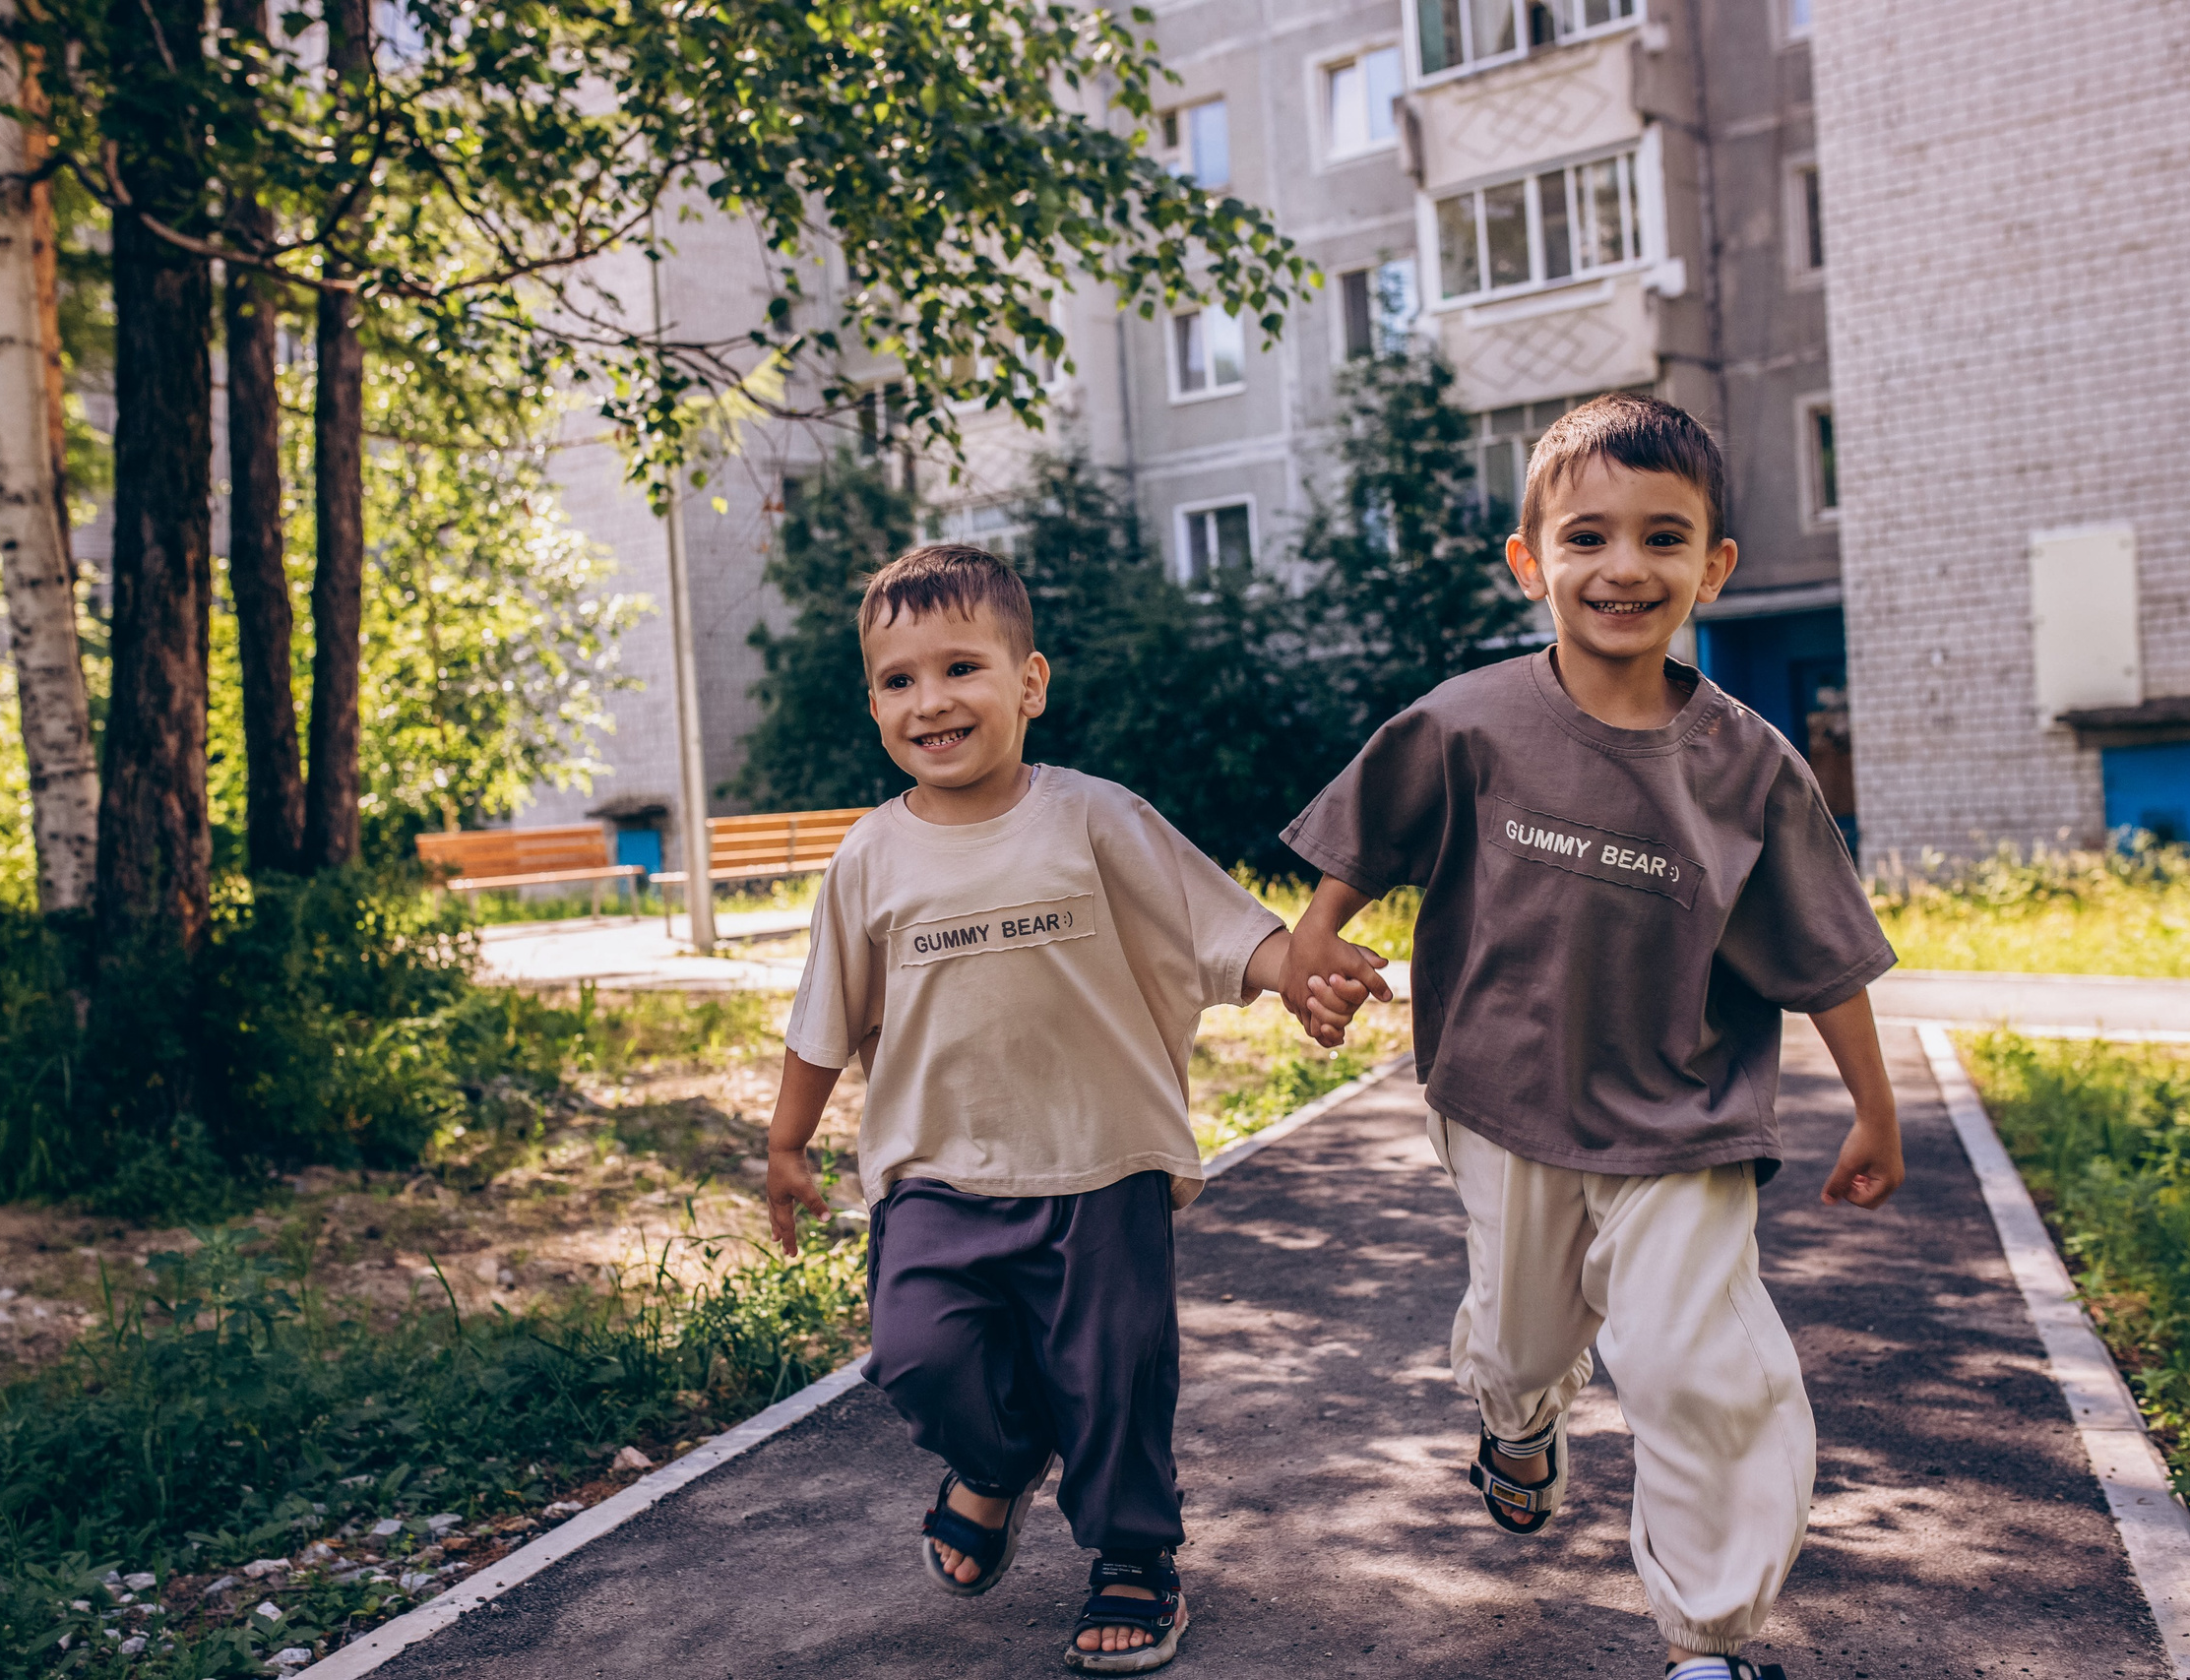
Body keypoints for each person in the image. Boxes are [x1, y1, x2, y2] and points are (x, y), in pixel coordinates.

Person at [1280, 394, 1903, 1680]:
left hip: (1684, 1119)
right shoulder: (1470, 720)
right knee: (1520, 1341)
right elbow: (1362, 835)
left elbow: (1825, 950)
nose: (1624, 566)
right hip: (1503, 1096)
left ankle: (1710, 1640)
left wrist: (1875, 1105)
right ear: (1532, 559)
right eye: (1588, 536)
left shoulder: (1750, 764)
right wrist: (1312, 942)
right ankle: (1519, 1424)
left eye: (1663, 538)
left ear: (1712, 567)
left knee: (1696, 1364)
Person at [764, 542, 1365, 1674]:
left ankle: (1134, 1557)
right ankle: (993, 1468)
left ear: (1029, 683)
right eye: (898, 680)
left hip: (1101, 1168)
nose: (931, 700)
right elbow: (823, 1016)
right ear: (873, 702)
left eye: (961, 668)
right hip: (936, 1172)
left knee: (1116, 1379)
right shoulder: (868, 856)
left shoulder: (1094, 818)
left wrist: (1303, 974)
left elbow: (1223, 925)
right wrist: (786, 1142)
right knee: (916, 1356)